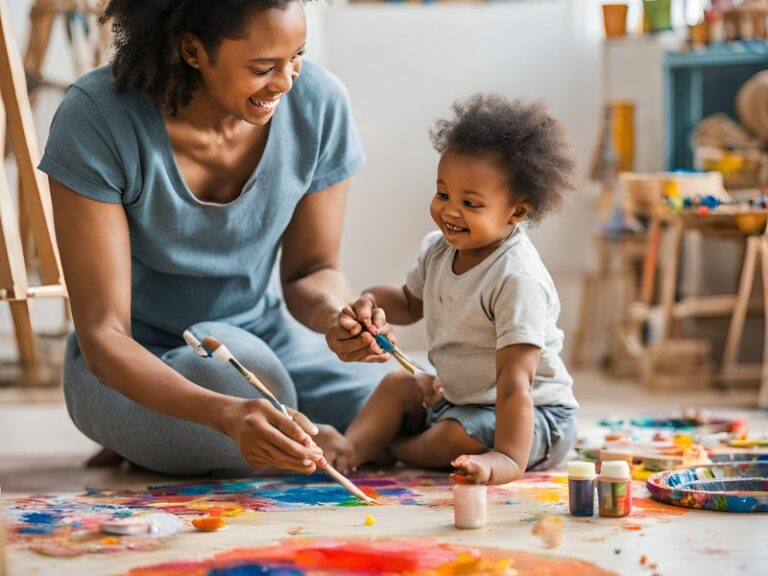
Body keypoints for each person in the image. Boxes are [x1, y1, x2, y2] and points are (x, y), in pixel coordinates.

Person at [41, 0, 391, 477]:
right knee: (240, 385)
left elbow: (313, 271)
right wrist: (226, 415)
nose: (286, 82)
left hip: (270, 343)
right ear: (192, 50)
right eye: (263, 67)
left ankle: (260, 429)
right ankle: (264, 427)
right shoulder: (97, 118)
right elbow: (104, 334)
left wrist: (340, 319)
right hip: (137, 363)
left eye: (296, 57)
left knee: (423, 400)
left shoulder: (319, 104)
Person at [330, 95, 579, 484]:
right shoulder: (439, 249)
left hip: (532, 418)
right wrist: (370, 302)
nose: (449, 211)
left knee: (457, 436)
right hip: (460, 399)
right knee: (398, 385)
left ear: (516, 212)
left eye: (470, 203)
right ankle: (351, 449)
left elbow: (515, 384)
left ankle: (395, 449)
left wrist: (506, 459)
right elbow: (409, 302)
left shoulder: (517, 279)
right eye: (443, 194)